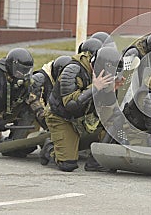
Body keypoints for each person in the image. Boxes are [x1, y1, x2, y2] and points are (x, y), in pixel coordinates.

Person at [41, 41, 117, 172]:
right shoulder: (72, 70)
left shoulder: (104, 74)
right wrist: (95, 88)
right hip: (62, 117)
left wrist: (112, 90)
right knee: (68, 164)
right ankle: (50, 148)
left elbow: (106, 105)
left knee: (114, 119)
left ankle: (96, 160)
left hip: (84, 116)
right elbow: (70, 105)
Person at [0, 48, 47, 157]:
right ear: (12, 65)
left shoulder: (24, 79)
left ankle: (14, 142)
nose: (24, 74)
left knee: (30, 110)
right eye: (21, 70)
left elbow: (33, 100)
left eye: (26, 70)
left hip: (5, 109)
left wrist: (44, 120)